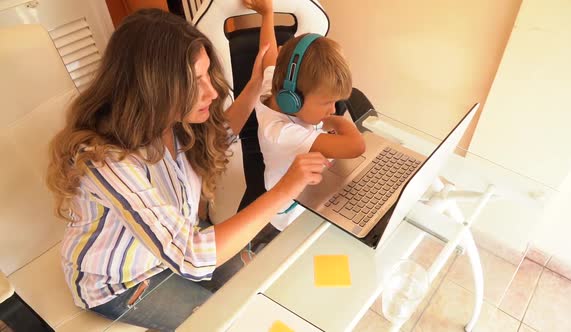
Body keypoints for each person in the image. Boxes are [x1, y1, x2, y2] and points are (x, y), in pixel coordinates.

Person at [46, 8, 328, 331]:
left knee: (259, 276)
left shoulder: (167, 120)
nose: (212, 91)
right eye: (196, 81)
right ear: (155, 88)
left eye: (208, 74)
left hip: (172, 244)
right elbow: (193, 257)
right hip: (121, 281)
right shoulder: (108, 161)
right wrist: (282, 192)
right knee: (228, 320)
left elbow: (220, 137)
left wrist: (251, 89)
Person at [244, 0, 366, 232]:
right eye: (327, 103)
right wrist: (334, 121)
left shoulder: (275, 90)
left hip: (312, 186)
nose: (332, 109)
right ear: (293, 98)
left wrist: (267, 14)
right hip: (293, 213)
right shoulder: (281, 133)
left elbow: (270, 55)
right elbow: (356, 146)